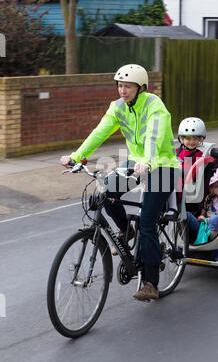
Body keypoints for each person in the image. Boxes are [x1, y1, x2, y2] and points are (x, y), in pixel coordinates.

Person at [60, 64, 179, 302]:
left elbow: (154, 138)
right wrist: (76, 156)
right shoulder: (117, 108)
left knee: (147, 221)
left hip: (163, 165)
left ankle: (150, 282)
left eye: (127, 86)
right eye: (120, 85)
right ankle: (125, 229)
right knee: (103, 194)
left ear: (140, 87)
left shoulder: (155, 106)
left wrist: (147, 161)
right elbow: (99, 132)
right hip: (136, 162)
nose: (122, 91)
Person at [165, 117, 206, 220]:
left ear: (200, 139)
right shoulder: (175, 151)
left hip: (185, 188)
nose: (191, 142)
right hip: (172, 183)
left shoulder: (199, 155)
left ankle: (172, 208)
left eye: (195, 138)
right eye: (188, 138)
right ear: (182, 138)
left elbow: (195, 174)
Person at [187, 168, 218, 243]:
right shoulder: (209, 199)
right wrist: (201, 217)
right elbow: (202, 215)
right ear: (212, 189)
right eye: (216, 186)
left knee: (215, 219)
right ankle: (184, 245)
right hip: (203, 229)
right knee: (185, 214)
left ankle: (208, 246)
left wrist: (209, 221)